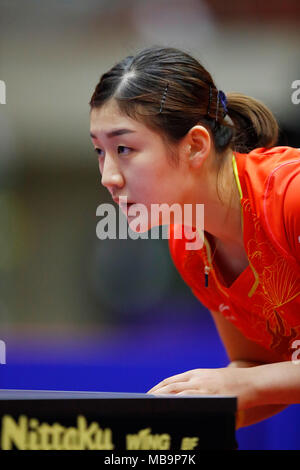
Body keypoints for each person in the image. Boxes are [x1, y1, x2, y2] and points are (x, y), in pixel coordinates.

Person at [89, 46, 300, 428]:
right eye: (100, 152)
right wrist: (167, 426)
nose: (108, 176)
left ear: (196, 146)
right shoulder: (188, 244)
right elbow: (260, 372)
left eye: (124, 148)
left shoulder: (292, 198)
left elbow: (253, 380)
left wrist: (245, 381)